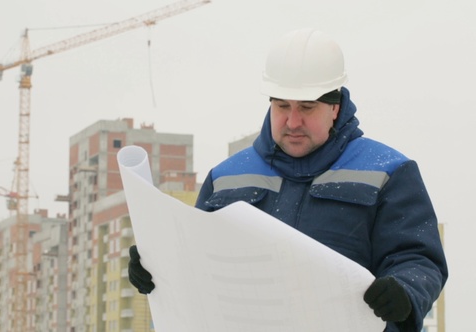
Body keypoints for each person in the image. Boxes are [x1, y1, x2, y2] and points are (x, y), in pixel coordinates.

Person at [128, 28, 448, 332]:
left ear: (334, 107)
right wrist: (157, 271)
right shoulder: (225, 179)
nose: (293, 121)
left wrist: (405, 291)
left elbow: (418, 258)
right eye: (282, 106)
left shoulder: (388, 172)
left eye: (307, 108)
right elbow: (197, 269)